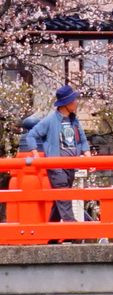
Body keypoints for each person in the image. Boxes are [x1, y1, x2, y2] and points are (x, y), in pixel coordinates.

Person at [20, 83, 90, 224]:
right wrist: (35, 153)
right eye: (73, 100)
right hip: (56, 167)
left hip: (71, 166)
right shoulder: (50, 120)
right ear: (65, 104)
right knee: (64, 197)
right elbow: (31, 135)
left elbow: (82, 139)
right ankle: (73, 228)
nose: (76, 102)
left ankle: (51, 233)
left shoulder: (74, 120)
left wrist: (88, 156)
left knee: (59, 200)